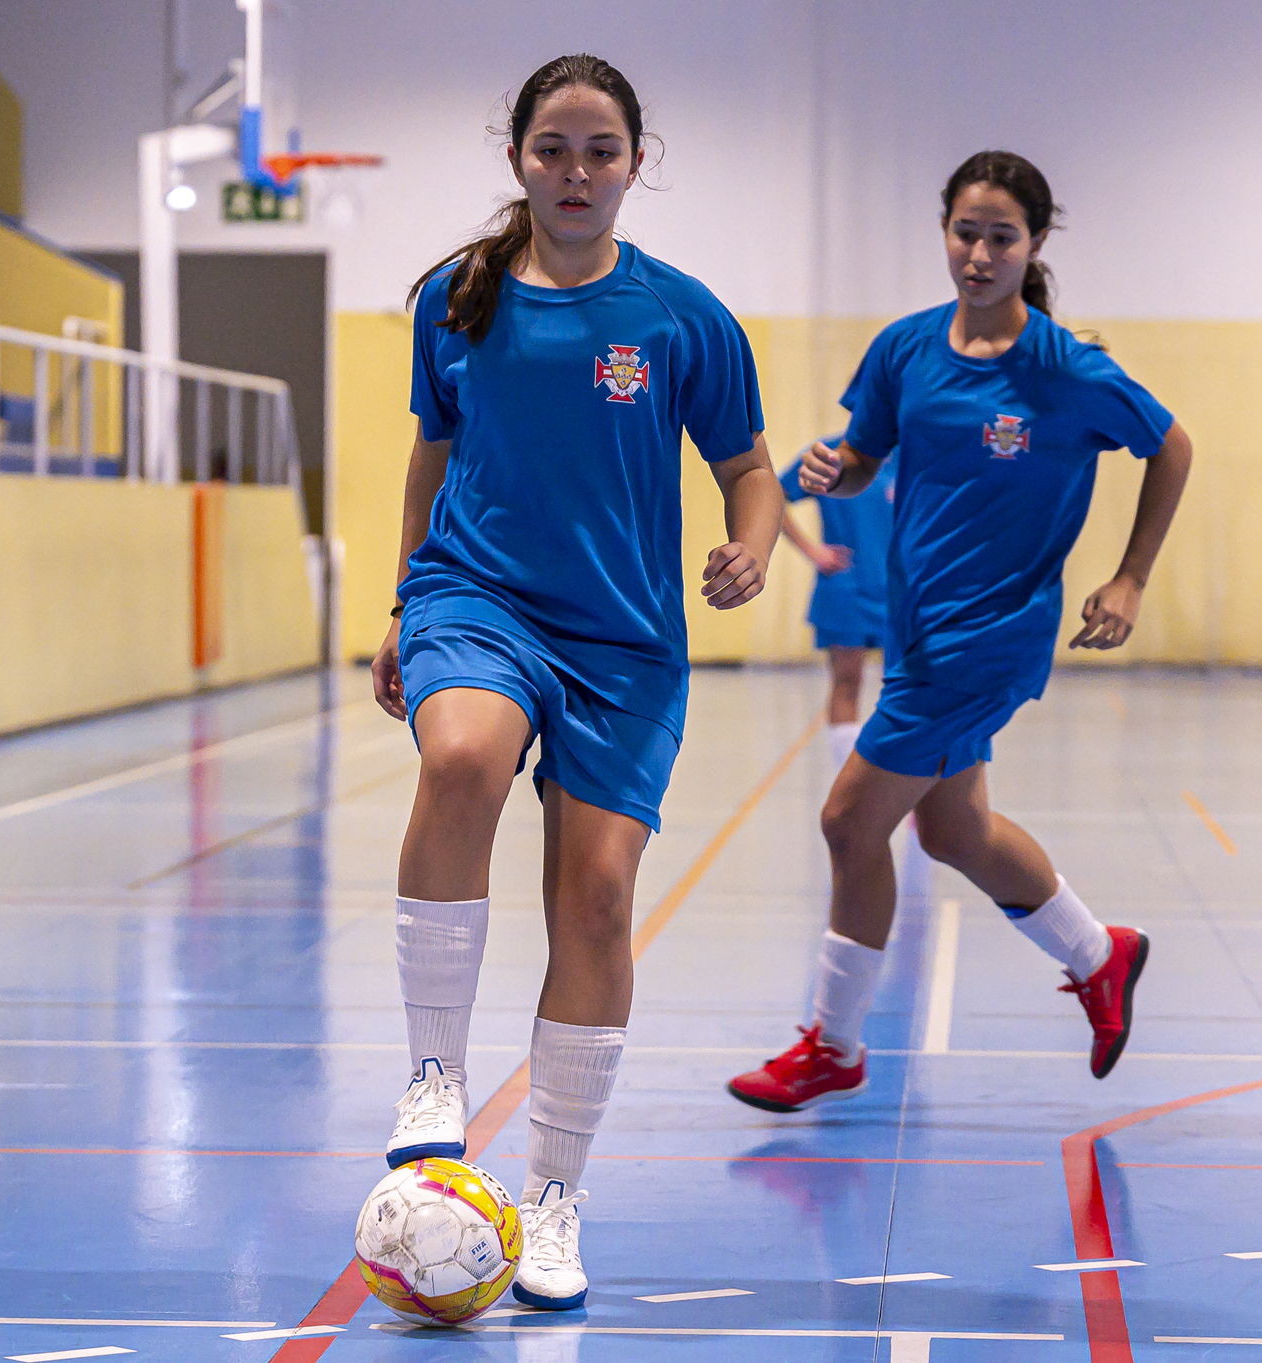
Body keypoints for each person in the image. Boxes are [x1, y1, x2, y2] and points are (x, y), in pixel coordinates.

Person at [370, 55, 781, 1310]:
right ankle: (433, 1074)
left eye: (599, 151)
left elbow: (748, 467)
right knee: (460, 757)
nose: (575, 172)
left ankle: (552, 1199)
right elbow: (429, 456)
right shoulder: (459, 297)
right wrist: (401, 602)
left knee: (595, 900)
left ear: (635, 164)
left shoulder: (682, 317)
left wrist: (752, 543)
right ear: (517, 160)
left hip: (623, 640)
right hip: (475, 596)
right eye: (552, 148)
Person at [727, 150, 1193, 1113]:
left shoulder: (1066, 371)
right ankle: (1102, 957)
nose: (980, 254)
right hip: (921, 629)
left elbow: (1171, 445)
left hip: (991, 639)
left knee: (849, 821)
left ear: (1034, 245)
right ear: (944, 232)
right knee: (954, 828)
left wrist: (1131, 576)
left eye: (1002, 237)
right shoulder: (905, 350)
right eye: (965, 233)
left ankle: (834, 1043)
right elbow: (864, 458)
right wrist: (832, 469)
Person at [776, 437, 894, 766]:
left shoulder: (914, 452)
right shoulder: (830, 454)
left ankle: (910, 793)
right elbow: (773, 494)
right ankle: (849, 777)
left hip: (902, 594)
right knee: (847, 683)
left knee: (905, 691)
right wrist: (813, 551)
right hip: (847, 590)